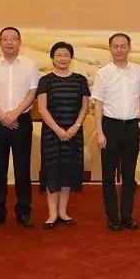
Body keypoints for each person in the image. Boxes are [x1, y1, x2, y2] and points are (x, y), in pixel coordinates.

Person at [0, 27, 40, 229]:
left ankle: (24, 211)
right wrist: (1, 116)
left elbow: (32, 93)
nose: (9, 42)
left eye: (13, 39)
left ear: (20, 42)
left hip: (21, 121)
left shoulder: (30, 65)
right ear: (0, 43)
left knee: (22, 169)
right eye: (5, 39)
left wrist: (14, 114)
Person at [92, 33, 140, 231]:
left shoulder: (138, 71)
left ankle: (127, 215)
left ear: (129, 47)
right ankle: (112, 217)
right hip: (110, 127)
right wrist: (99, 132)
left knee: (129, 176)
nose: (119, 50)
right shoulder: (103, 73)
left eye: (123, 46)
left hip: (132, 127)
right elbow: (98, 104)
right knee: (108, 176)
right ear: (110, 48)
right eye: (115, 46)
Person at [36, 42, 90, 230]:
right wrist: (58, 130)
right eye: (58, 55)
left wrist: (76, 126)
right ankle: (52, 214)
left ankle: (63, 212)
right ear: (52, 58)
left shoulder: (80, 80)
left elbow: (84, 106)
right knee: (52, 170)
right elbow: (42, 109)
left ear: (71, 58)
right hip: (52, 134)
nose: (62, 58)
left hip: (74, 133)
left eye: (66, 55)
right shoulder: (45, 80)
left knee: (68, 171)